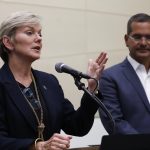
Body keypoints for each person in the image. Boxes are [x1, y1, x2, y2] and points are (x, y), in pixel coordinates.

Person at [0, 11, 107, 150]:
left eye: (40, 34)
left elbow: (77, 126)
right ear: (8, 42)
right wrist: (37, 146)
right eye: (29, 32)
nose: (38, 38)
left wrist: (91, 89)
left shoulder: (49, 82)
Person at [99, 13, 150, 135]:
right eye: (137, 37)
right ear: (126, 40)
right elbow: (114, 121)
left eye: (149, 37)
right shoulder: (110, 77)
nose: (143, 43)